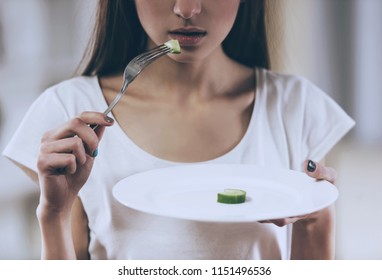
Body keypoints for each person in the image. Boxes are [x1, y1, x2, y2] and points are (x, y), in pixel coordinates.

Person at [3, 0, 354, 260]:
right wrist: (54, 213)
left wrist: (316, 219)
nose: (187, 8)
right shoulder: (69, 111)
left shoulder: (298, 107)